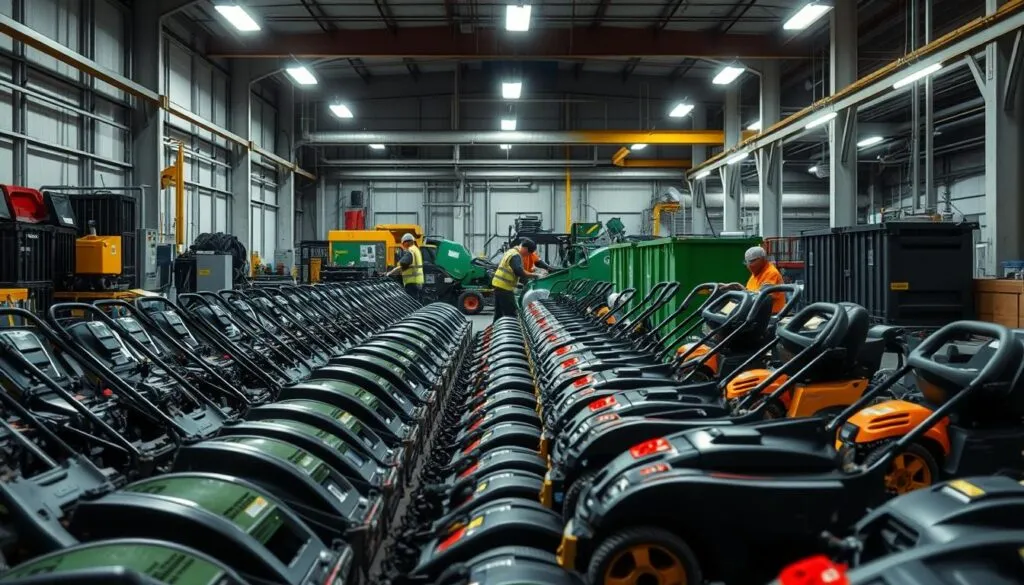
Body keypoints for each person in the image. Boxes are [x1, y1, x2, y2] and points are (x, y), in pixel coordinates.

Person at [491, 238, 544, 321]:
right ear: (525, 248)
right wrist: (535, 275)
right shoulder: (515, 255)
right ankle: (509, 332)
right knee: (511, 314)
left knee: (499, 314)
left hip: (499, 286)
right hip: (504, 289)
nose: (528, 255)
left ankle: (495, 331)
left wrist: (517, 284)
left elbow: (510, 271)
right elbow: (518, 271)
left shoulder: (511, 251)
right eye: (528, 253)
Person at [741, 245, 786, 313]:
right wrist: (740, 289)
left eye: (752, 261)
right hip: (757, 313)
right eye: (747, 262)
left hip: (770, 316)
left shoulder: (771, 273)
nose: (749, 265)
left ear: (763, 259)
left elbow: (761, 296)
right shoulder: (756, 274)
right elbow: (751, 292)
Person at [386, 233, 424, 301]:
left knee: (411, 303)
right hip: (418, 282)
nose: (403, 246)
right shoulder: (416, 250)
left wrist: (389, 273)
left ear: (407, 242)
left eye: (403, 244)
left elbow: (402, 265)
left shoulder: (411, 251)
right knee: (416, 302)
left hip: (412, 283)